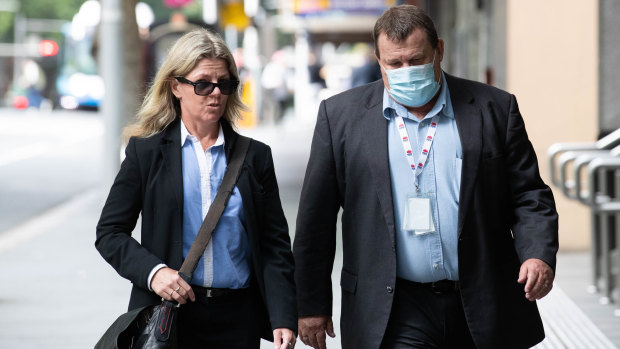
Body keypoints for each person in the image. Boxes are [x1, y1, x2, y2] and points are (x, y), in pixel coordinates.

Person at [293, 5, 558, 349]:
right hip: (395, 306)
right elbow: (317, 219)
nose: (407, 71)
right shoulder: (341, 117)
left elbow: (528, 195)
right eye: (394, 63)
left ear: (439, 51)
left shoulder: (494, 108)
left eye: (417, 60)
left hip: (482, 298)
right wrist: (310, 305)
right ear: (378, 60)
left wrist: (537, 253)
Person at [95, 29, 297, 349]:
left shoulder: (256, 156)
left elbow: (274, 245)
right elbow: (110, 232)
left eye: (225, 84)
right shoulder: (145, 153)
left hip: (238, 318)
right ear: (176, 86)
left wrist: (284, 315)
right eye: (203, 84)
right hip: (169, 318)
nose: (215, 93)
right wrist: (154, 273)